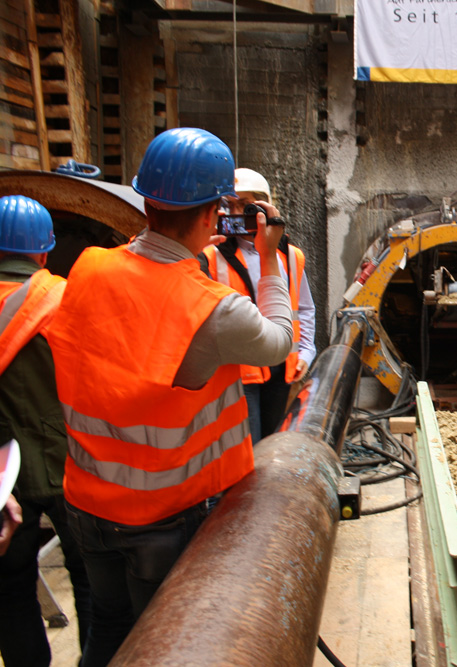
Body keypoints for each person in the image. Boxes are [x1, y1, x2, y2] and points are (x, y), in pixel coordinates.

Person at [46, 128, 293, 667]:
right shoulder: (213, 309)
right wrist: (270, 259)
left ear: (146, 199)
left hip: (87, 503)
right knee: (169, 646)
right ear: (212, 217)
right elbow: (279, 343)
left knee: (109, 629)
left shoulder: (87, 268)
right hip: (164, 517)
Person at [0, 195, 92, 667]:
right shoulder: (64, 297)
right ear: (42, 251)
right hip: (70, 463)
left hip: (3, 478)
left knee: (12, 591)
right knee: (90, 580)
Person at [200, 167, 316, 443]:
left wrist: (306, 352)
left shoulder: (290, 255)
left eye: (246, 205)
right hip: (240, 371)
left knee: (276, 442)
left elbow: (305, 308)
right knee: (248, 446)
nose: (238, 212)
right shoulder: (211, 254)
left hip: (282, 367)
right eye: (230, 205)